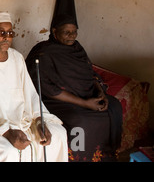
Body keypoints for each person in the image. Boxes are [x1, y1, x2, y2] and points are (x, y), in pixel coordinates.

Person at [0, 12, 68, 162]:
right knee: (10, 151)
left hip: (22, 118)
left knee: (59, 133)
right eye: (0, 32)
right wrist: (7, 132)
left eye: (10, 33)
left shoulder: (17, 58)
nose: (6, 37)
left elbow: (30, 94)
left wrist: (40, 120)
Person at [25, 14, 123, 162]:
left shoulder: (77, 48)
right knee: (80, 121)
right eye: (67, 32)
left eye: (74, 32)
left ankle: (105, 157)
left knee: (114, 106)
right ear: (55, 32)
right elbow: (45, 87)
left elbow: (90, 73)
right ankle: (77, 157)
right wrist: (84, 103)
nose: (72, 36)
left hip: (85, 94)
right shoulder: (43, 52)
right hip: (57, 100)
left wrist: (100, 93)